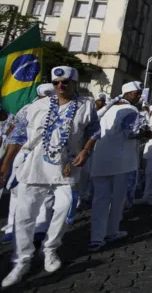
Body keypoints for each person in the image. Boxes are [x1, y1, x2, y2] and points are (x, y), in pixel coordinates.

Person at [1, 67, 100, 288]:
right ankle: (22, 260)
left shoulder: (86, 106)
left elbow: (94, 130)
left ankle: (50, 248)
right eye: (56, 82)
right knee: (25, 215)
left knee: (66, 208)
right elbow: (16, 137)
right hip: (35, 165)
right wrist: (5, 166)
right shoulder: (37, 106)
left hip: (67, 166)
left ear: (75, 84)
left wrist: (86, 151)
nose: (60, 86)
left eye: (65, 82)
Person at [89, 81, 149, 252]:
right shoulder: (130, 110)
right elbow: (133, 133)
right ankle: (112, 231)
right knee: (117, 199)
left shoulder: (105, 110)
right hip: (121, 162)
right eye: (137, 93)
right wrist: (148, 134)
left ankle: (96, 238)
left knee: (100, 200)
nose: (139, 97)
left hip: (100, 160)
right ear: (128, 94)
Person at [0, 84, 55, 245]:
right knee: (17, 192)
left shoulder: (65, 109)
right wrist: (6, 163)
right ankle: (12, 228)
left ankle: (40, 228)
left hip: (49, 157)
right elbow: (15, 137)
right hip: (26, 155)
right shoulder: (27, 110)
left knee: (46, 191)